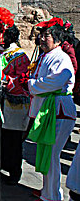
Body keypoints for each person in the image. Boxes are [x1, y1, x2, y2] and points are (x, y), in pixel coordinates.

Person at [27, 18, 76, 201]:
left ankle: (52, 195)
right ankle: (48, 190)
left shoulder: (61, 57)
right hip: (49, 110)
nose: (42, 39)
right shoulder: (45, 56)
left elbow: (56, 80)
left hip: (58, 111)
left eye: (46, 36)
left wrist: (31, 84)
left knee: (52, 155)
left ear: (56, 40)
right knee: (48, 153)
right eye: (41, 35)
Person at [0, 8, 31, 185]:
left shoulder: (20, 56)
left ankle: (14, 172)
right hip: (0, 103)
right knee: (0, 138)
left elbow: (23, 80)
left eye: (1, 33)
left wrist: (5, 80)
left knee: (13, 141)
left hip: (14, 106)